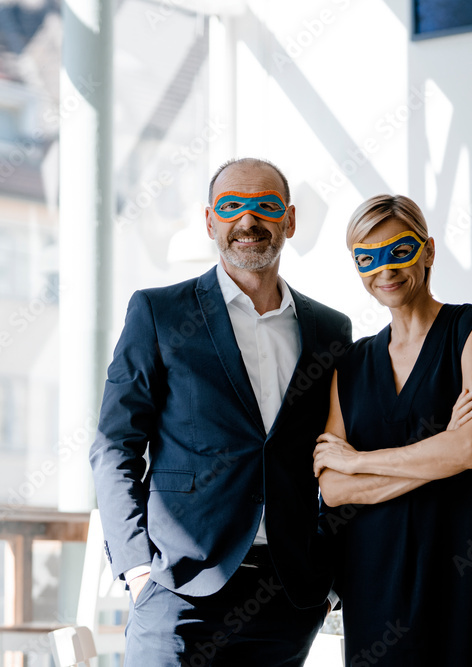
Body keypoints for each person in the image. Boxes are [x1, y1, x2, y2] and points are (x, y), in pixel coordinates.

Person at [90, 157, 352, 666]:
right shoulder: (159, 313)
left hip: (289, 597)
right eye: (231, 207)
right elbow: (114, 444)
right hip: (178, 591)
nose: (247, 221)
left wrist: (331, 577)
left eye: (265, 207)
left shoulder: (330, 330)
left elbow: (341, 453)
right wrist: (138, 569)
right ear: (210, 222)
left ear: (290, 221)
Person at [312, 194, 472, 665]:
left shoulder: (471, 329)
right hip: (376, 583)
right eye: (368, 257)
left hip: (465, 575)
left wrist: (361, 461)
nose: (384, 269)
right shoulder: (349, 364)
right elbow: (335, 487)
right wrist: (441, 455)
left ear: (428, 251)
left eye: (399, 250)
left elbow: (471, 447)